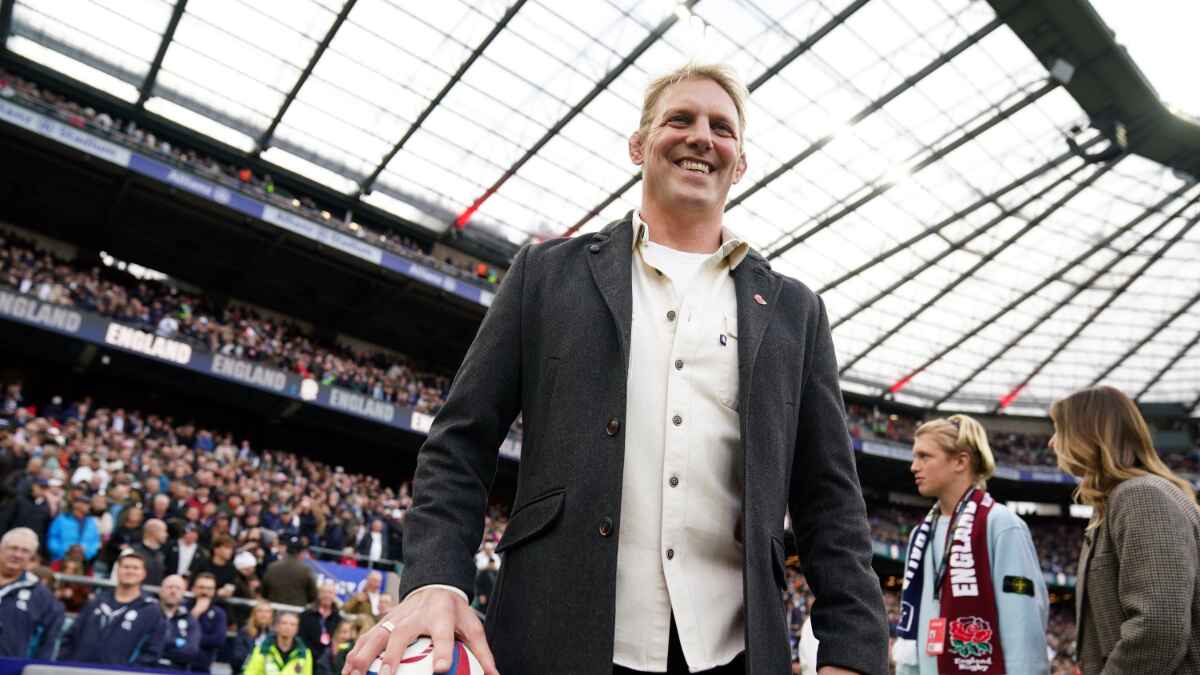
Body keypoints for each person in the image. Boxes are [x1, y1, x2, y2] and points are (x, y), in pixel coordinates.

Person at [344, 63, 887, 675]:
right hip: (554, 642)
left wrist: (853, 652)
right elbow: (459, 442)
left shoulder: (795, 312)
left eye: (722, 128)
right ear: (638, 145)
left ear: (740, 164)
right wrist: (435, 579)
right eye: (679, 119)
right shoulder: (546, 276)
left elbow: (829, 498)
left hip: (733, 655)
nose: (701, 136)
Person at [1049, 386, 1200, 673]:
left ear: (1087, 435)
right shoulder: (1122, 498)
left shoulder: (1142, 496)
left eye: (1059, 431)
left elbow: (1159, 628)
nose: (1052, 443)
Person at [893, 415, 1049, 674]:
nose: (913, 466)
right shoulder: (920, 534)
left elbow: (1022, 622)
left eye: (924, 456)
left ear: (960, 461)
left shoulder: (1001, 525)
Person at [60, 548, 166, 665]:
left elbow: (152, 651)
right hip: (81, 669)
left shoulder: (151, 610)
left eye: (135, 568)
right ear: (117, 570)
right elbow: (72, 635)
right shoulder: (97, 601)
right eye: (126, 567)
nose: (130, 571)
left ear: (144, 574)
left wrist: (130, 671)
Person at [0, 528, 64, 659]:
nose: (17, 555)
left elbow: (48, 642)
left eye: (25, 551)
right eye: (13, 548)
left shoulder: (42, 597)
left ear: (31, 556)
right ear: (1, 549)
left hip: (10, 667)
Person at [242, 611, 313, 675]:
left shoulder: (304, 654)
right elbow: (250, 672)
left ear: (297, 629)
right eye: (284, 623)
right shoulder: (262, 650)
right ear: (277, 626)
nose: (288, 627)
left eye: (293, 624)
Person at [156, 573, 201, 670]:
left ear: (183, 593)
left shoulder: (190, 620)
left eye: (178, 588)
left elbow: (191, 652)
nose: (173, 591)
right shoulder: (147, 614)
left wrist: (160, 646)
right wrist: (175, 642)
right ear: (160, 590)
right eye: (169, 587)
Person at [189, 571, 229, 672]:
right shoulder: (183, 608)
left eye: (209, 588)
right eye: (201, 587)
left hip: (202, 667)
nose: (205, 592)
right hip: (177, 665)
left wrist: (192, 638)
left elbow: (218, 640)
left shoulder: (219, 613)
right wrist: (194, 614)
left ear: (214, 591)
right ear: (193, 588)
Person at [263, 535, 317, 607]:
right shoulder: (305, 570)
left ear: (286, 550)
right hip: (296, 610)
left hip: (274, 608)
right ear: (301, 553)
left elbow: (264, 592)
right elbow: (312, 595)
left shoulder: (272, 567)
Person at [46, 493, 99, 562]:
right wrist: (63, 552)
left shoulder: (91, 522)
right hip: (61, 560)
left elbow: (95, 542)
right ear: (75, 504)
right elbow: (52, 538)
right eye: (82, 502)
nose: (85, 506)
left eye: (87, 504)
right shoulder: (61, 519)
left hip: (82, 562)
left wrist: (87, 554)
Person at [300, 580, 343, 662]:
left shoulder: (338, 618)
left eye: (330, 593)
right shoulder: (306, 615)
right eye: (324, 592)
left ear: (334, 595)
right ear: (318, 594)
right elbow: (301, 637)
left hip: (330, 661)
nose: (327, 595)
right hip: (308, 657)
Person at [230, 599, 274, 670]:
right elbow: (236, 659)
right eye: (260, 611)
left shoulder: (274, 635)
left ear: (271, 615)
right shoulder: (244, 632)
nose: (264, 614)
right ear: (254, 614)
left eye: (267, 611)